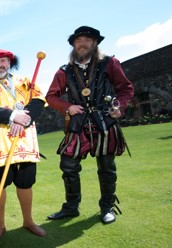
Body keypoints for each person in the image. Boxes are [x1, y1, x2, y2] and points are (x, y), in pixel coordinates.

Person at [46, 26, 134, 224]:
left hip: (105, 121)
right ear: (73, 45)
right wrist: (68, 107)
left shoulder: (109, 63)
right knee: (68, 165)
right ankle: (71, 207)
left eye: (87, 40)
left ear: (94, 43)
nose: (82, 43)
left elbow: (125, 88)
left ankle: (107, 206)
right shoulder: (64, 71)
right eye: (78, 40)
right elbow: (51, 96)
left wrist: (118, 106)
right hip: (78, 124)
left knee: (107, 167)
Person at [0, 49, 47, 239]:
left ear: (9, 63)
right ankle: (0, 225)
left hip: (24, 143)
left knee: (25, 183)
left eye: (3, 61)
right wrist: (13, 116)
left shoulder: (25, 82)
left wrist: (24, 119)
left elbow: (39, 101)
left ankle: (28, 221)